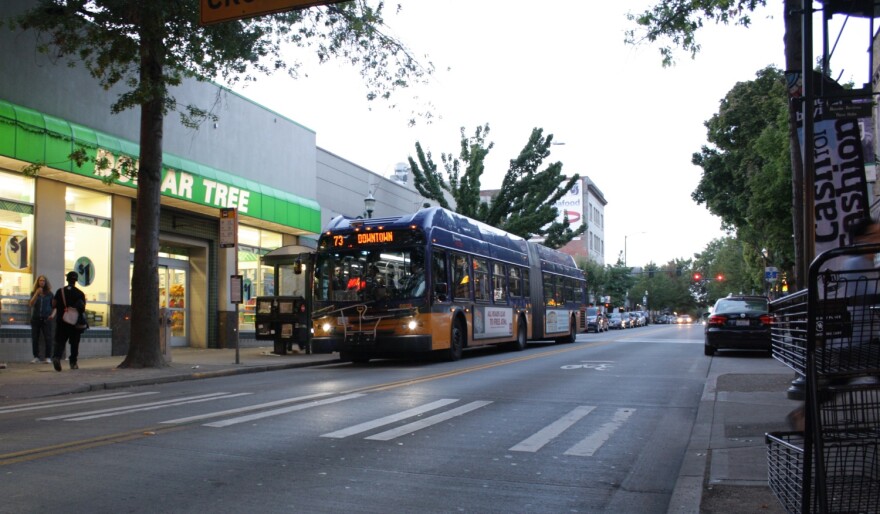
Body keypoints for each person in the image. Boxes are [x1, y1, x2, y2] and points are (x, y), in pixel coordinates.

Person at [51, 271, 86, 372]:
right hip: (74, 323)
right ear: (76, 280)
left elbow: (53, 305)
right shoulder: (80, 293)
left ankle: (57, 357)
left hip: (62, 322)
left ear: (67, 279)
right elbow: (82, 308)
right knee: (74, 343)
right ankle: (73, 363)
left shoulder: (60, 291)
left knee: (60, 341)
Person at [29, 275, 54, 363]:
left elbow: (55, 307)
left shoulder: (50, 294)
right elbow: (31, 304)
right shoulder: (33, 293)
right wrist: (36, 293)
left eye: (43, 281)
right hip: (36, 318)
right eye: (40, 281)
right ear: (38, 282)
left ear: (45, 282)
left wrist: (52, 315)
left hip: (46, 318)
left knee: (48, 338)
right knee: (35, 338)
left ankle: (48, 357)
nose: (42, 282)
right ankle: (36, 356)